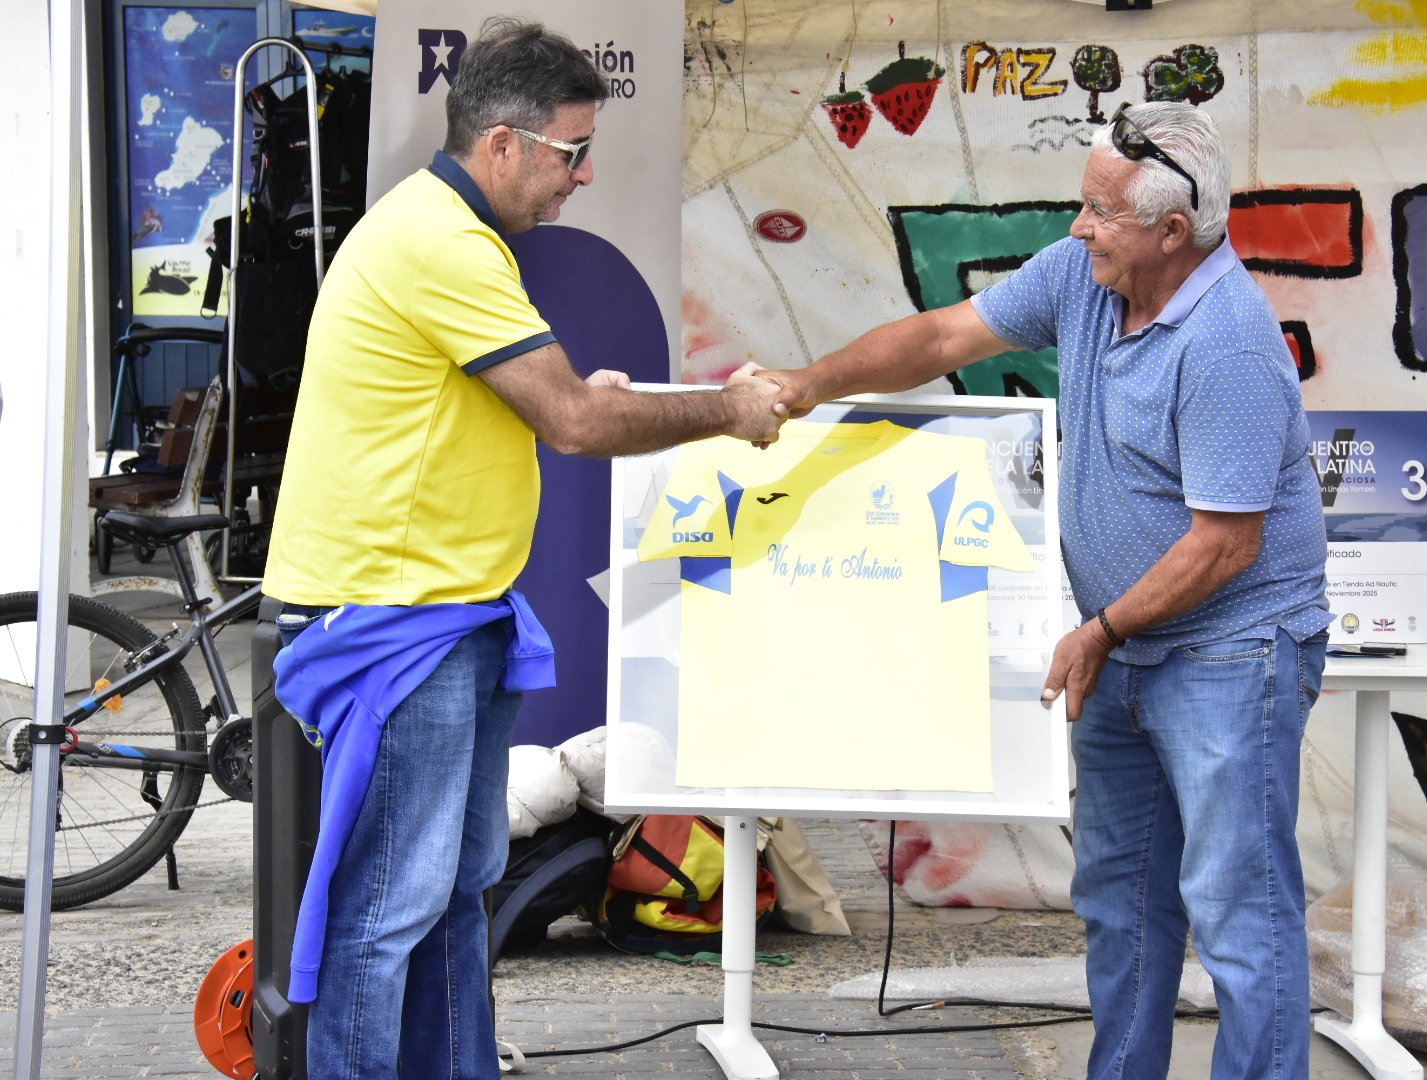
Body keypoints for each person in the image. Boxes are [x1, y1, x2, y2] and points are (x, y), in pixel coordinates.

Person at [260, 19, 783, 1080]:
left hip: (442, 612)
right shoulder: (445, 244)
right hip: (399, 621)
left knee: (454, 893)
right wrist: (728, 411)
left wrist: (583, 396)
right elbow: (573, 423)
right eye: (572, 153)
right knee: (391, 908)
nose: (583, 177)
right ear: (502, 142)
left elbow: (514, 401)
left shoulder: (444, 230)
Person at [763, 101, 1331, 1079]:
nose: (1078, 226)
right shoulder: (1085, 275)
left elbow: (1224, 547)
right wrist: (807, 385)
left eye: (1100, 211)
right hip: (1124, 645)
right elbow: (942, 336)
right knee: (1121, 899)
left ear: (1172, 231)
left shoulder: (1229, 343)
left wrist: (1099, 629)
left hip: (1229, 653)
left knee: (1239, 909)